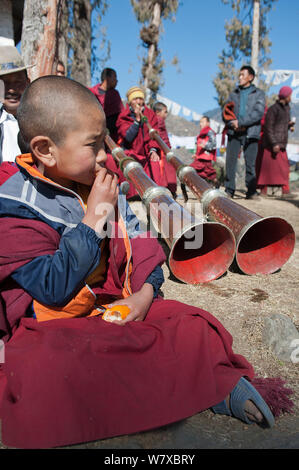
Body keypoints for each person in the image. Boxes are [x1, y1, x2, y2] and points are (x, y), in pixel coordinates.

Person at [0, 76, 277, 449]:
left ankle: (216, 386)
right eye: (93, 144)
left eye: (104, 142)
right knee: (43, 368)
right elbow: (51, 287)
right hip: (54, 326)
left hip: (116, 310)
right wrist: (94, 218)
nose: (104, 155)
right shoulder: (15, 200)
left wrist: (143, 298)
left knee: (193, 326)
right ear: (46, 150)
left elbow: (145, 250)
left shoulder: (100, 183)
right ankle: (198, 383)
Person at [222, 65, 266, 200]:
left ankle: (251, 191)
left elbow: (258, 113)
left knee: (250, 163)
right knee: (230, 161)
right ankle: (229, 190)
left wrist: (241, 123)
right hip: (234, 132)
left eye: (242, 75)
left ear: (250, 77)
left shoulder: (259, 94)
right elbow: (225, 112)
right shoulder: (233, 94)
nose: (239, 77)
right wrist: (232, 123)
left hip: (251, 132)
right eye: (239, 75)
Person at [116, 86, 165, 198]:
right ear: (130, 102)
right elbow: (127, 137)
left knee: (155, 160)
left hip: (146, 153)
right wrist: (137, 121)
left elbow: (154, 134)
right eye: (135, 99)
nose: (138, 102)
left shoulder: (150, 114)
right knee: (129, 162)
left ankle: (154, 192)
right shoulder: (124, 116)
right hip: (130, 151)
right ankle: (133, 194)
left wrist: (153, 150)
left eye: (140, 99)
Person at [256, 86, 296, 198]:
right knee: (267, 170)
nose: (290, 97)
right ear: (285, 96)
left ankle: (285, 191)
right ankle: (263, 191)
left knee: (284, 168)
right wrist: (274, 143)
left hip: (282, 143)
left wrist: (289, 125)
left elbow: (281, 125)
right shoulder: (273, 109)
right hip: (271, 144)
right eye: (290, 95)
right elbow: (268, 127)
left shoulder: (287, 109)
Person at [0, 45, 32, 163]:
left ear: (28, 83)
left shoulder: (41, 121)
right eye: (5, 83)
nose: (12, 90)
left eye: (18, 82)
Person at [90, 68, 123, 142]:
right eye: (115, 77)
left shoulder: (115, 94)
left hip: (112, 136)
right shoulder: (91, 93)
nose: (117, 80)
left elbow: (120, 116)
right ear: (107, 78)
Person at [152, 101, 177, 197]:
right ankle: (171, 190)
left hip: (163, 149)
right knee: (167, 170)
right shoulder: (159, 120)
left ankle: (167, 189)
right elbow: (160, 136)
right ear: (158, 112)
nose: (166, 114)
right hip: (163, 149)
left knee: (166, 171)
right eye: (165, 112)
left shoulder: (156, 120)